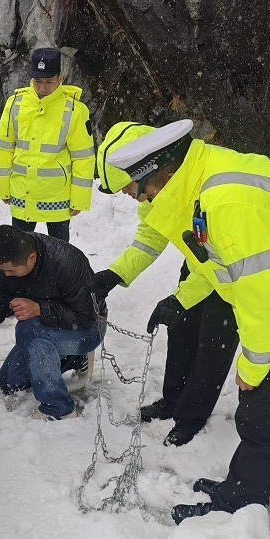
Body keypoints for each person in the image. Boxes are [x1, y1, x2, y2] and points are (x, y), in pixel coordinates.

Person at [102, 120, 270, 523]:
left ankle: (238, 506)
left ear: (158, 174)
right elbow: (217, 261)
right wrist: (181, 300)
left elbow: (263, 299)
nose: (132, 196)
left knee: (263, 415)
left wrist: (252, 366)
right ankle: (240, 489)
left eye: (134, 187)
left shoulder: (227, 203)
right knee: (261, 410)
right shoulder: (201, 178)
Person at [82, 121, 239, 447]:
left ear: (145, 171)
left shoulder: (207, 186)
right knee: (181, 330)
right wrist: (115, 275)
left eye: (128, 188)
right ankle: (172, 400)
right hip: (199, 263)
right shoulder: (156, 189)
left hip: (234, 272)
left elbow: (226, 260)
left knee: (213, 345)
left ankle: (192, 417)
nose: (134, 198)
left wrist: (181, 298)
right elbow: (149, 239)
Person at [0, 225, 106, 420]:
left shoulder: (68, 262)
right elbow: (2, 295)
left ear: (32, 257)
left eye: (11, 271)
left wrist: (39, 309)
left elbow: (86, 318)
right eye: (3, 271)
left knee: (29, 329)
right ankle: (76, 359)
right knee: (9, 383)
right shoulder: (7, 260)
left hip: (89, 328)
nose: (6, 275)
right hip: (52, 325)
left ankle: (59, 408)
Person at [0, 47, 95, 243]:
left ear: (60, 78)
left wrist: (80, 198)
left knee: (60, 254)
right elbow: (3, 148)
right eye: (38, 81)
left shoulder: (75, 110)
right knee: (19, 251)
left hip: (57, 198)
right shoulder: (15, 104)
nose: (43, 88)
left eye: (49, 81)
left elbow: (83, 157)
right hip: (22, 193)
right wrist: (2, 187)